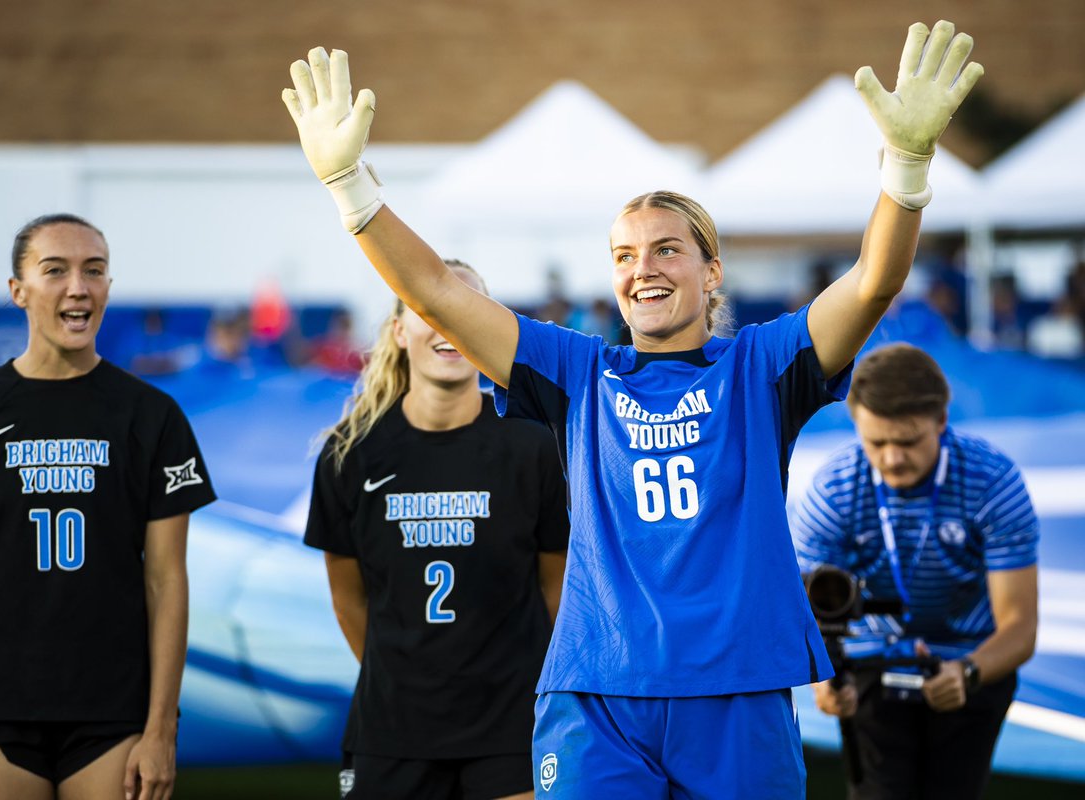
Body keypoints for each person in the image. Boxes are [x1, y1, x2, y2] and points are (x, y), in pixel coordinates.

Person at [281, 20, 982, 798]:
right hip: (598, 695)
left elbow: (873, 283)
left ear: (712, 272)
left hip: (736, 689)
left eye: (666, 249)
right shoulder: (576, 369)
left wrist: (907, 166)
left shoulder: (760, 366)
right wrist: (350, 186)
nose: (641, 269)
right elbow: (439, 294)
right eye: (622, 254)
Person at [0, 214, 216, 800]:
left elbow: (167, 581)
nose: (78, 286)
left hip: (114, 712)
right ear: (17, 291)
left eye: (94, 271)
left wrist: (161, 728)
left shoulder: (152, 416)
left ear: (108, 289)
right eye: (56, 270)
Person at [304, 260, 569, 800]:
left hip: (510, 728)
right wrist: (412, 678)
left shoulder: (534, 448)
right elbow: (347, 599)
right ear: (400, 331)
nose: (447, 324)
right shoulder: (348, 454)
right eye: (429, 309)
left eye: (464, 309)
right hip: (392, 729)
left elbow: (557, 591)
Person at [791, 344, 1039, 800]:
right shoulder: (834, 489)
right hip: (870, 660)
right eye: (876, 443)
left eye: (907, 441)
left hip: (970, 660)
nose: (891, 458)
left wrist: (968, 671)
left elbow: (1020, 628)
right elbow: (808, 610)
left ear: (942, 422)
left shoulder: (993, 482)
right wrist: (826, 682)